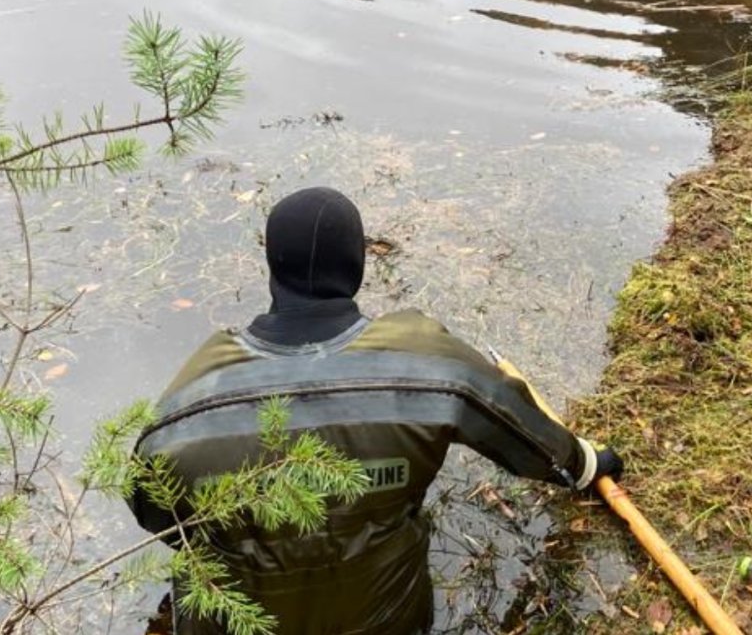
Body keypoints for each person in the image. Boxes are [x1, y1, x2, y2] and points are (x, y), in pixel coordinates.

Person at [130, 186, 623, 635]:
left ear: (272, 266)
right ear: (357, 263)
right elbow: (521, 432)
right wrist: (585, 465)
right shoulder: (422, 362)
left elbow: (156, 515)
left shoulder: (188, 403)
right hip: (388, 621)